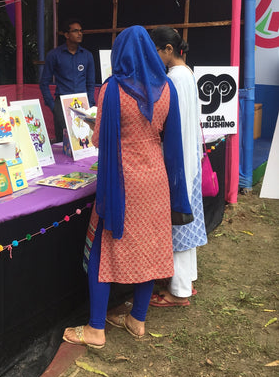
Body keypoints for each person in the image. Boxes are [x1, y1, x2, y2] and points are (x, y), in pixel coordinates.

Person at [62, 26, 193, 349]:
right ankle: (138, 319)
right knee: (150, 248)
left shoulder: (113, 89)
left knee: (101, 250)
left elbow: (100, 139)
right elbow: (169, 137)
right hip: (156, 180)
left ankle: (95, 329)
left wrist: (97, 128)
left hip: (122, 182)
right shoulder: (165, 89)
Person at [149, 26, 207, 306]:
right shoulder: (186, 74)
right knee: (186, 223)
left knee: (180, 225)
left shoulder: (175, 78)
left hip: (180, 162)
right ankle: (185, 281)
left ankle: (180, 290)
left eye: (156, 52)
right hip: (188, 160)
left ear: (168, 50)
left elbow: (174, 124)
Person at [39, 19, 96, 143]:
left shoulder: (87, 55)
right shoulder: (54, 55)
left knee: (83, 141)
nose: (79, 34)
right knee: (63, 142)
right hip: (62, 103)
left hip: (83, 104)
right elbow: (44, 83)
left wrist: (90, 104)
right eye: (75, 31)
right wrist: (53, 106)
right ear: (66, 34)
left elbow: (91, 83)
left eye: (81, 31)